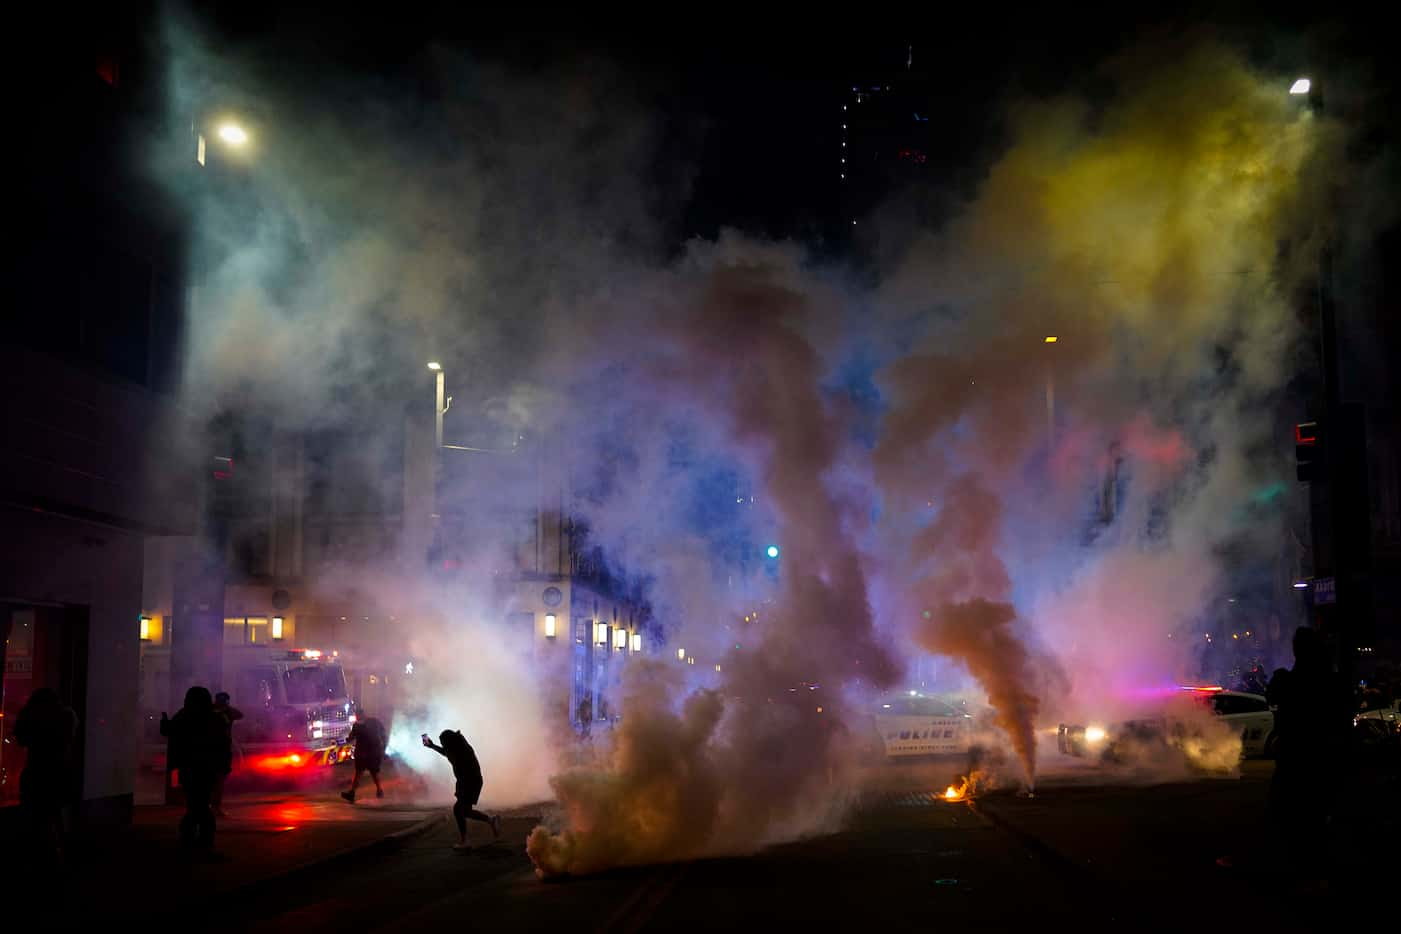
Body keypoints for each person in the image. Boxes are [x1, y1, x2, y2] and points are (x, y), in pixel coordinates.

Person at [1264, 626, 1354, 884]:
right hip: (1321, 759)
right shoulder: (1333, 682)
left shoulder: (1288, 680)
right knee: (1316, 816)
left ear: (1297, 651)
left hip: (1296, 759)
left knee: (1289, 815)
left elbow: (1274, 696)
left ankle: (1299, 870)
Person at [13, 687, 79, 866]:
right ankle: (59, 855)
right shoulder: (67, 716)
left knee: (34, 817)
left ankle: (37, 857)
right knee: (56, 814)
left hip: (36, 771)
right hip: (59, 771)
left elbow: (20, 737)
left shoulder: (32, 716)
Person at [161, 686, 228, 850]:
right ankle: (201, 841)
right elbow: (224, 745)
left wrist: (164, 724)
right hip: (207, 770)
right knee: (200, 805)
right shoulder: (215, 718)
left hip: (190, 769)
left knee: (196, 806)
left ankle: (194, 839)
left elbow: (170, 732)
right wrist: (223, 767)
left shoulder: (183, 716)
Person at [422, 729, 500, 848]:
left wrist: (433, 746)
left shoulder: (461, 751)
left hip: (470, 782)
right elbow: (446, 752)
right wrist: (432, 746)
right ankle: (490, 821)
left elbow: (449, 754)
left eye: (443, 742)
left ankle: (466, 841)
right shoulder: (458, 747)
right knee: (463, 811)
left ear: (449, 742)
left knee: (459, 810)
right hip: (468, 782)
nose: (442, 744)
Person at [341, 712, 388, 803]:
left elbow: (350, 738)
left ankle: (352, 793)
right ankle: (379, 791)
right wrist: (383, 747)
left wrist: (345, 739)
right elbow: (383, 733)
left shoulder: (357, 725)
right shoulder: (375, 721)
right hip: (375, 752)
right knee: (374, 772)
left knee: (358, 773)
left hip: (363, 754)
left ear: (358, 716)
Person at [211, 691, 243, 818]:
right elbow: (239, 714)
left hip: (219, 750)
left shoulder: (224, 713)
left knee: (216, 780)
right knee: (218, 780)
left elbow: (240, 715)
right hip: (219, 750)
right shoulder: (224, 713)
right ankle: (214, 807)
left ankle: (213, 806)